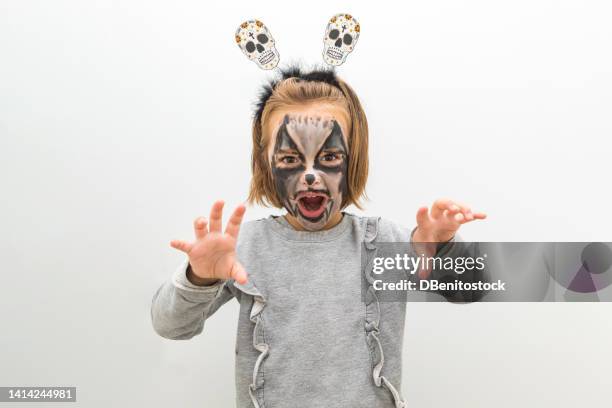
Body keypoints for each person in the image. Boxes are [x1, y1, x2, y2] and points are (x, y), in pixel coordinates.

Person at [151, 66, 486, 408]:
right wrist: (200, 277)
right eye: (290, 158)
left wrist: (441, 247)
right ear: (266, 164)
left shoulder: (382, 241)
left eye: (328, 157)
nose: (310, 175)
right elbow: (170, 325)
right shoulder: (245, 248)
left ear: (352, 161)